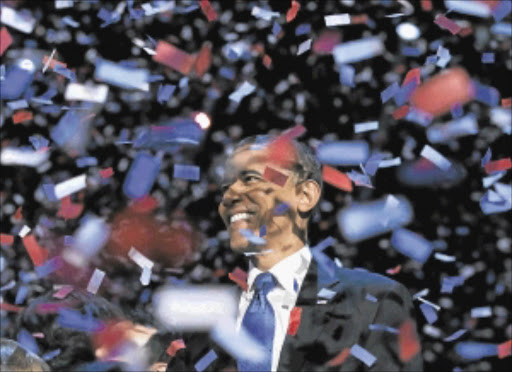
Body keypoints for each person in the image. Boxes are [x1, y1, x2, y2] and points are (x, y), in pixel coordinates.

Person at [167, 134, 423, 371]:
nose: (231, 195)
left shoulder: (375, 302)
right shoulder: (203, 318)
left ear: (305, 194)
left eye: (251, 179)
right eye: (226, 185)